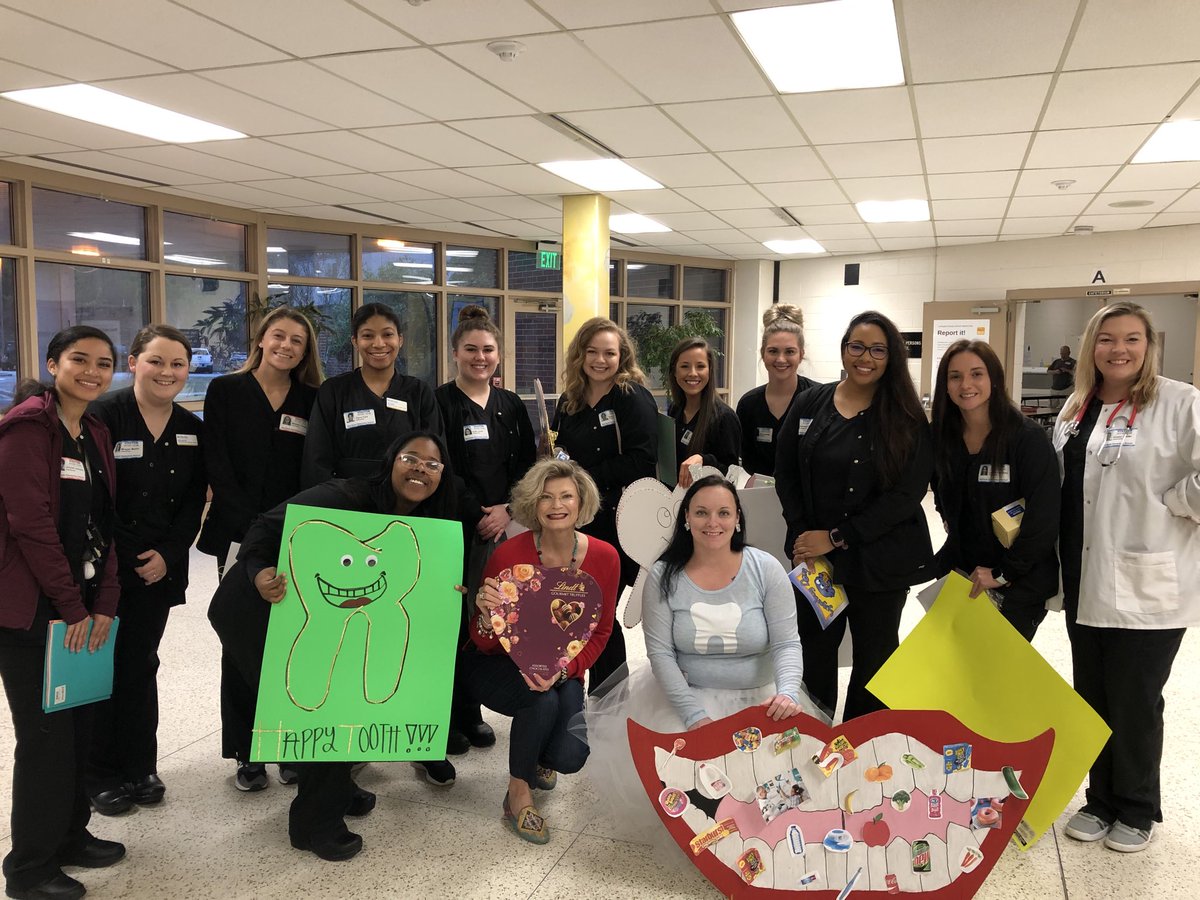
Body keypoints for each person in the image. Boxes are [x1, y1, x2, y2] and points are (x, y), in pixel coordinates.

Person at [208, 432, 477, 861]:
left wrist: (443, 591)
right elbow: (264, 527)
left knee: (346, 694)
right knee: (323, 706)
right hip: (258, 609)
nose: (420, 469)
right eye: (411, 458)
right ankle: (316, 825)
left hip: (321, 612)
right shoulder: (344, 497)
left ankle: (338, 788)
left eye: (432, 464)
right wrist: (260, 572)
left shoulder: (426, 523)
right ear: (390, 460)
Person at [1055, 302, 1200, 853]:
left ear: (1149, 345)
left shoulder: (1180, 402)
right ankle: (1101, 800)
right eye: (1108, 338)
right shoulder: (1078, 406)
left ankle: (1137, 807)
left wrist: (1179, 500)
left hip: (1149, 580)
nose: (1120, 349)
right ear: (1092, 346)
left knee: (1136, 698)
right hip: (1086, 576)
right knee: (1091, 695)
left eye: (1132, 338)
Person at [0, 327, 125, 900]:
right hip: (32, 611)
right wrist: (73, 607)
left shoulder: (93, 429)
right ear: (53, 363)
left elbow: (106, 521)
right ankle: (29, 868)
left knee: (78, 729)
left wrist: (105, 602)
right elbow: (32, 526)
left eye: (103, 363)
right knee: (45, 739)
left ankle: (71, 836)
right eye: (79, 359)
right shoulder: (28, 428)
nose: (92, 372)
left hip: (81, 605)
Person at [775, 311, 933, 722]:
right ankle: (812, 747)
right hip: (816, 562)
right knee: (815, 656)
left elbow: (906, 496)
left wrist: (837, 536)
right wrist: (802, 538)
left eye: (878, 349)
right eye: (857, 346)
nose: (866, 357)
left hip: (880, 561)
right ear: (844, 349)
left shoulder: (906, 416)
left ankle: (859, 756)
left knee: (875, 662)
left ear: (892, 356)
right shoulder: (811, 402)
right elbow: (787, 473)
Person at [197, 305, 323, 793]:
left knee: (294, 642)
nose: (286, 345)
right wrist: (254, 526)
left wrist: (288, 527)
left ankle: (289, 745)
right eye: (279, 336)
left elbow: (312, 470)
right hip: (236, 534)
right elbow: (217, 462)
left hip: (295, 536)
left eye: (297, 340)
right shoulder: (226, 390)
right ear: (261, 339)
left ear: (305, 350)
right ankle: (247, 752)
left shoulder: (312, 399)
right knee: (242, 640)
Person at [86, 326, 207, 816]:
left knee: (141, 665)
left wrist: (170, 554)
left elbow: (195, 498)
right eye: (156, 361)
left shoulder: (191, 428)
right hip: (106, 568)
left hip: (160, 570)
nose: (167, 372)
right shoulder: (102, 416)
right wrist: (132, 554)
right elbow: (94, 499)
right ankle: (98, 774)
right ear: (134, 362)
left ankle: (141, 766)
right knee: (99, 670)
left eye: (177, 364)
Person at [467, 458, 619, 844]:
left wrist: (566, 672)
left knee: (570, 756)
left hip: (563, 667)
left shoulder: (605, 558)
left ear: (580, 501)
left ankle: (535, 755)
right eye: (546, 497)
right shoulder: (508, 555)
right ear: (533, 504)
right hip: (497, 663)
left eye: (566, 496)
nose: (556, 505)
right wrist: (485, 615)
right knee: (542, 703)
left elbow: (601, 632)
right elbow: (483, 640)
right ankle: (518, 792)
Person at [434, 305, 536, 754]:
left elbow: (528, 466)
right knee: (453, 621)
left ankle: (473, 712)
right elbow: (440, 467)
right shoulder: (438, 402)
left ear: (499, 356)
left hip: (506, 527)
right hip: (457, 527)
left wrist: (508, 509)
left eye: (488, 350)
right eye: (471, 349)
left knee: (490, 619)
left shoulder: (510, 404)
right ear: (455, 352)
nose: (480, 357)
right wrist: (478, 511)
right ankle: (448, 716)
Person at [551, 318, 657, 692]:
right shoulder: (570, 400)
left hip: (616, 522)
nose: (600, 360)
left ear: (622, 355)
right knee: (575, 611)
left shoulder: (632, 396)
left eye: (609, 353)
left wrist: (582, 477)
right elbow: (558, 449)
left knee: (599, 615)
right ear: (580, 355)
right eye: (592, 352)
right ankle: (575, 695)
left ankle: (611, 702)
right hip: (574, 521)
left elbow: (642, 461)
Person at [930, 340, 1060, 641]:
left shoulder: (1026, 439)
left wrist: (1003, 574)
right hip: (961, 574)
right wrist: (947, 514)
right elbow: (938, 485)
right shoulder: (941, 437)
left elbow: (1044, 518)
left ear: (994, 380)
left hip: (1015, 582)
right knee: (957, 672)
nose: (966, 384)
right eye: (955, 376)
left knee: (995, 676)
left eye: (977, 374)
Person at [303, 302, 442, 487]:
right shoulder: (334, 391)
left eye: (387, 334)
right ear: (355, 341)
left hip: (406, 506)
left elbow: (435, 458)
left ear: (400, 339)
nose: (378, 344)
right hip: (344, 504)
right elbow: (316, 460)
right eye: (368, 335)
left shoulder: (419, 393)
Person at [736, 304, 819, 478]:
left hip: (807, 501)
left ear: (801, 354)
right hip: (761, 500)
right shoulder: (748, 405)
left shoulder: (819, 399)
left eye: (789, 351)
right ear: (763, 353)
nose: (781, 359)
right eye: (773, 351)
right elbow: (746, 462)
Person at [667, 337, 741, 487]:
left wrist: (704, 461)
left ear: (710, 371)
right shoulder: (675, 410)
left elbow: (731, 474)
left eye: (700, 366)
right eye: (685, 366)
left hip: (707, 504)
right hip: (676, 502)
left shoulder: (725, 418)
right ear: (674, 372)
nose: (693, 373)